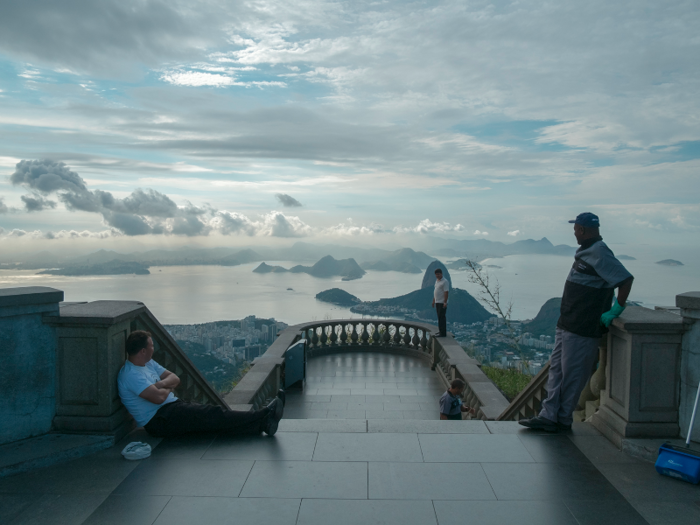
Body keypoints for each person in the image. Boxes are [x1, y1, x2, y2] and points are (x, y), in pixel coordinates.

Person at [519, 212, 633, 433]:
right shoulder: (586, 252)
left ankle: (560, 419)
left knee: (572, 375)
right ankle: (549, 415)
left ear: (582, 229)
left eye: (575, 229)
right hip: (567, 324)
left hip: (582, 327)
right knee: (557, 373)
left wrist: (616, 308)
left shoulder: (600, 252)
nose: (573, 233)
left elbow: (625, 279)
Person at [118, 330, 284, 438]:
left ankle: (263, 424)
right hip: (159, 421)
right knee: (213, 414)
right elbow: (160, 398)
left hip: (170, 409)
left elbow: (175, 378)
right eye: (151, 346)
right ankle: (264, 415)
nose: (154, 349)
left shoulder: (148, 363)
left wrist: (160, 385)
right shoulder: (131, 375)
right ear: (142, 351)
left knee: (211, 421)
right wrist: (165, 387)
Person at [432, 268, 450, 337]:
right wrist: (434, 301)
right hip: (437, 302)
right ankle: (440, 331)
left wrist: (445, 302)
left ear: (441, 274)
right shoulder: (437, 281)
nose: (437, 275)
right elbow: (436, 291)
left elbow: (446, 292)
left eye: (438, 274)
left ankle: (443, 333)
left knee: (442, 317)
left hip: (442, 302)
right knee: (439, 317)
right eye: (436, 274)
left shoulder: (445, 281)